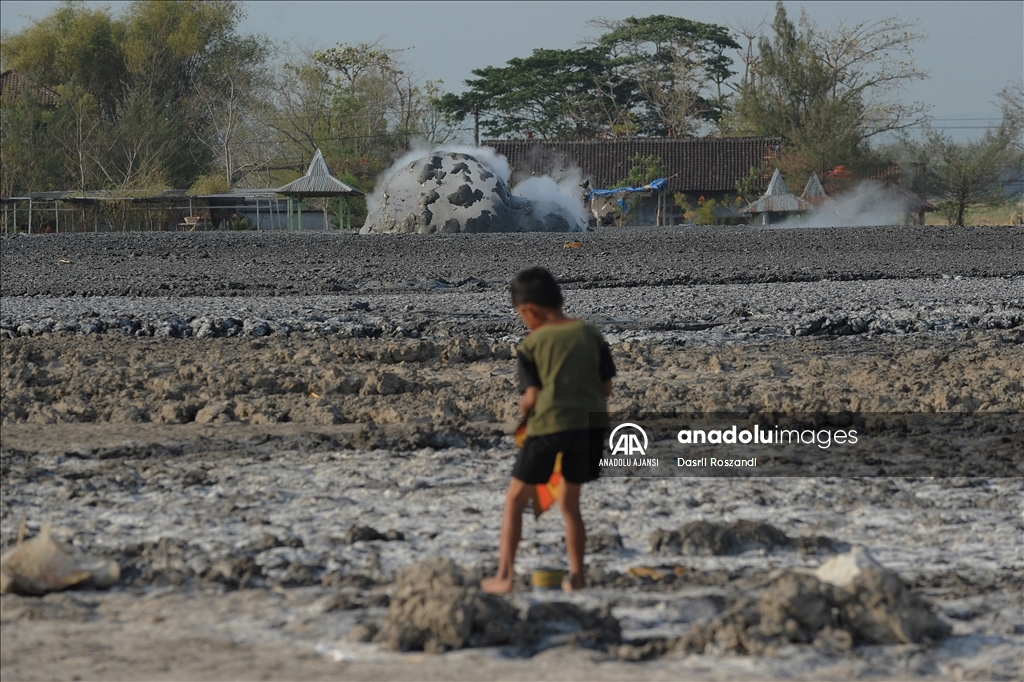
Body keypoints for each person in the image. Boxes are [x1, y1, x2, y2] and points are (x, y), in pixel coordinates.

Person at [481, 267, 615, 594]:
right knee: (571, 506)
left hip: (549, 426)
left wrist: (524, 411)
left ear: (529, 310)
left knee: (515, 500)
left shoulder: (533, 343)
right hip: (590, 429)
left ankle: (506, 576)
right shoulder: (590, 334)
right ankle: (578, 576)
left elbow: (532, 396)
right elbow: (607, 387)